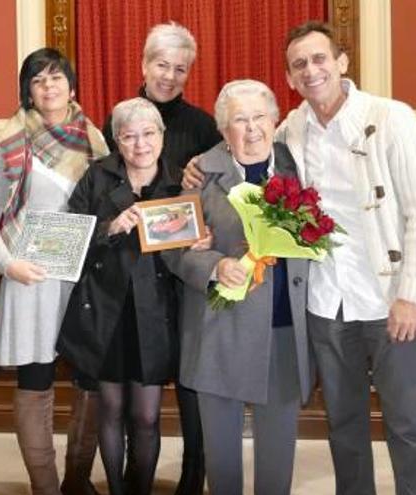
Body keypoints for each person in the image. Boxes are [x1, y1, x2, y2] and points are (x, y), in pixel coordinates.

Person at [280, 21, 416, 494]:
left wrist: (412, 296)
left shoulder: (392, 117)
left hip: (388, 298)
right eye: (299, 65)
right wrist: (197, 170)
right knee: (345, 428)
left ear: (341, 62)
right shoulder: (292, 127)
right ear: (290, 78)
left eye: (319, 59)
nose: (311, 71)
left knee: (409, 426)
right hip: (327, 303)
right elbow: (244, 151)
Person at [163, 80, 312, 495]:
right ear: (223, 129)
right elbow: (173, 249)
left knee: (278, 451)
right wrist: (214, 265)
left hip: (283, 327)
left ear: (275, 120)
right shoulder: (201, 173)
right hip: (219, 328)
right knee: (223, 456)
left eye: (259, 118)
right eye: (238, 121)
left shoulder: (296, 165)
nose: (251, 130)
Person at [0, 48, 108, 495]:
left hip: (84, 279)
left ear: (72, 85)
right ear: (27, 91)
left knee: (89, 379)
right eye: (38, 80)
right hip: (32, 278)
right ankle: (45, 485)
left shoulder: (96, 142)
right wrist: (8, 264)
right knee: (36, 381)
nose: (49, 86)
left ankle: (77, 479)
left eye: (57, 77)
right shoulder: (14, 143)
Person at [58, 97, 206, 495]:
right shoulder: (97, 177)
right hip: (105, 311)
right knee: (110, 410)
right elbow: (68, 240)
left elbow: (195, 245)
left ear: (162, 136)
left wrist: (200, 243)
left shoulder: (179, 183)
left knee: (145, 416)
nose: (140, 145)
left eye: (148, 134)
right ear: (116, 142)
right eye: (129, 137)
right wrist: (111, 226)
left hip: (156, 313)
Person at [101, 22, 222, 495]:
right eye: (161, 65)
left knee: (190, 385)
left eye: (180, 68)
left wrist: (207, 229)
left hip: (184, 276)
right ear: (144, 64)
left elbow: (217, 193)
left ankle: (193, 479)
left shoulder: (202, 126)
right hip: (127, 279)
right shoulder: (116, 120)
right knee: (128, 392)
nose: (169, 76)